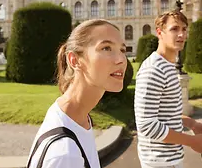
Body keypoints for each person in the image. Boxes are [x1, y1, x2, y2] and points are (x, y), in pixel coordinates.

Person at [27, 19, 127, 168]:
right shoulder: (66, 155)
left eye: (123, 50)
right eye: (106, 48)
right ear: (74, 60)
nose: (121, 60)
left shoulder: (75, 116)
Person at [134, 10, 202, 168]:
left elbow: (165, 115)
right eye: (174, 29)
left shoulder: (168, 66)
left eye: (184, 29)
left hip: (170, 160)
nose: (181, 34)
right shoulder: (153, 69)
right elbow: (147, 125)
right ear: (159, 32)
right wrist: (191, 141)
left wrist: (191, 124)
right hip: (159, 162)